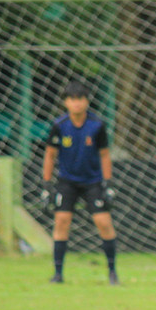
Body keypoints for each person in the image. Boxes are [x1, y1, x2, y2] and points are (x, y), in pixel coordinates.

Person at [42, 80, 119, 285]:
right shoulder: (59, 125)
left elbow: (104, 155)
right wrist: (47, 185)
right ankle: (58, 274)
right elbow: (50, 155)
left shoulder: (97, 125)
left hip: (92, 181)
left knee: (104, 223)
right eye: (72, 100)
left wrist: (108, 183)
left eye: (80, 99)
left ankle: (112, 272)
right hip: (67, 181)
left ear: (86, 101)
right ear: (66, 102)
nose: (76, 104)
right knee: (61, 222)